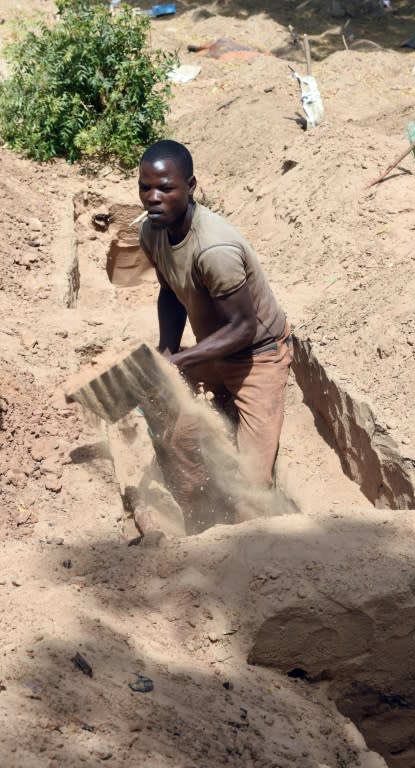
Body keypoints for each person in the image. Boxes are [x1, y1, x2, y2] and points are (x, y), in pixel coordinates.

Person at [138, 139, 293, 531]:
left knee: (251, 486)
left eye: (166, 188)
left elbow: (244, 329)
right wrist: (166, 351)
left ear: (190, 186)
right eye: (145, 187)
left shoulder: (216, 249)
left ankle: (251, 559)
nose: (153, 198)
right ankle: (200, 526)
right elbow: (170, 292)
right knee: (180, 444)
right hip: (214, 353)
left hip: (258, 356)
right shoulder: (152, 232)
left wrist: (180, 362)